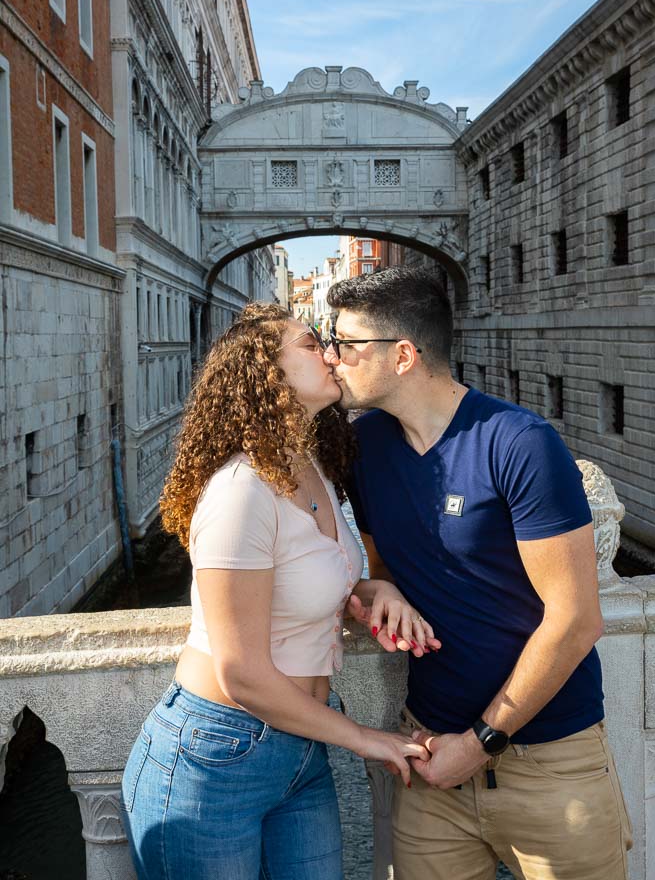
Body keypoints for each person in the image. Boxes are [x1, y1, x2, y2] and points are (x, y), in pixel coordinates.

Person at [325, 266, 633, 880]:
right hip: (430, 759)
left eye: (346, 345)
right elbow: (375, 560)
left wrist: (481, 742)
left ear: (404, 354)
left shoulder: (519, 443)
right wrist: (374, 584)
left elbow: (575, 619)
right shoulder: (364, 449)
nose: (332, 358)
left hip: (550, 760)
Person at [120, 302, 437, 880]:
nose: (331, 354)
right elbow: (242, 673)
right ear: (266, 375)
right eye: (312, 344)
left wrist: (373, 589)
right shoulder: (241, 491)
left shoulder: (313, 466)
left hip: (300, 746)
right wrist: (368, 739)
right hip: (215, 754)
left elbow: (306, 578)